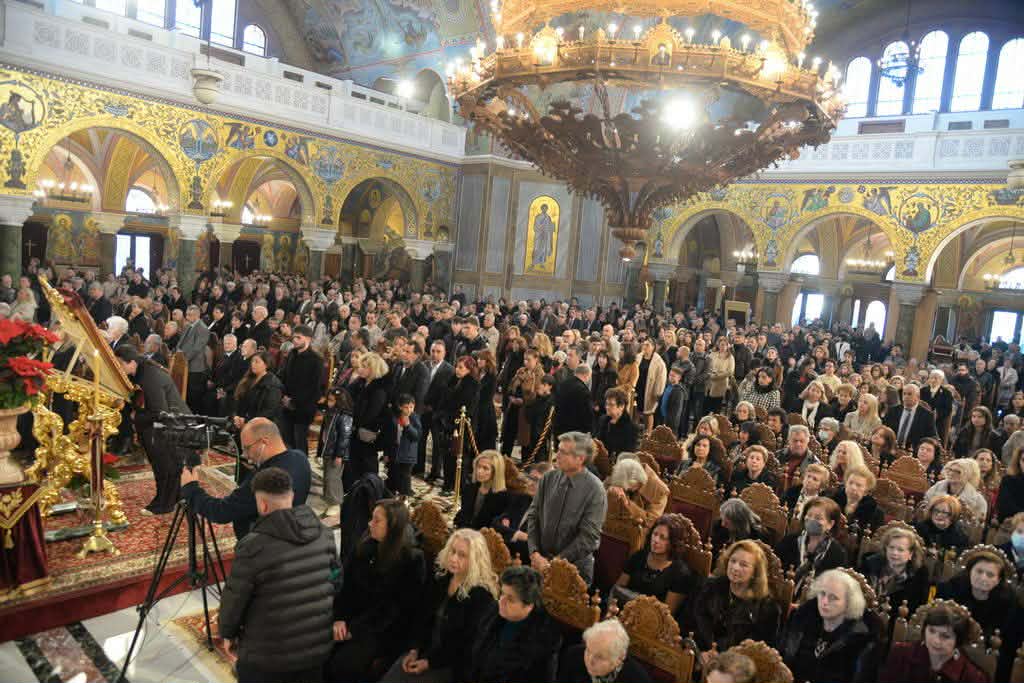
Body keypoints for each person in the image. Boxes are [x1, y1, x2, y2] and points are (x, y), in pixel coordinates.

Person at [217, 468, 336, 683]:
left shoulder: (253, 546)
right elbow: (336, 580)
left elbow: (235, 598)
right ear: (291, 496)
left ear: (262, 504)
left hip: (267, 659)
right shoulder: (325, 534)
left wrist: (227, 633)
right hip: (316, 652)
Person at [328, 498, 427, 682]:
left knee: (343, 665)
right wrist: (340, 617)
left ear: (393, 526)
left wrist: (355, 629)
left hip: (383, 630)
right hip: (355, 617)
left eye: (376, 520)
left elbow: (396, 609)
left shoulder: (411, 559)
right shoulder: (368, 543)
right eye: (371, 518)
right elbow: (347, 584)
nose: (369, 523)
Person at [381, 529, 498, 683]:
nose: (454, 558)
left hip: (451, 666)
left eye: (462, 555)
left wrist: (430, 663)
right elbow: (420, 618)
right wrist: (414, 649)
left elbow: (466, 646)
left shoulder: (482, 597)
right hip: (424, 652)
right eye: (453, 551)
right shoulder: (440, 579)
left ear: (475, 560)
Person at [182, 418, 311, 538]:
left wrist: (191, 488)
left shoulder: (263, 480)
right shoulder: (300, 458)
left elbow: (220, 512)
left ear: (264, 442)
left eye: (247, 448)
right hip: (291, 532)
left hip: (259, 544)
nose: (245, 455)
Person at [115, 344, 190, 515]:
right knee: (160, 463)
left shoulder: (149, 377)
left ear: (132, 362)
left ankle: (164, 503)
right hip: (160, 424)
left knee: (164, 464)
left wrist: (135, 417)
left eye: (120, 364)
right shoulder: (140, 371)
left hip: (171, 426)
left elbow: (159, 412)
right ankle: (174, 496)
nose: (118, 368)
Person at [527, 431, 608, 584]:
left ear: (580, 459)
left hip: (573, 570)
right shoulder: (548, 478)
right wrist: (534, 553)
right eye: (558, 450)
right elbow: (533, 516)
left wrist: (555, 562)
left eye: (563, 452)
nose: (557, 455)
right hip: (539, 562)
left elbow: (588, 538)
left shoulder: (595, 490)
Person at [688, 540, 781, 660]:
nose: (735, 568)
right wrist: (699, 654)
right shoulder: (709, 587)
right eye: (733, 561)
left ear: (755, 572)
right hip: (699, 656)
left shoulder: (768, 608)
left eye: (743, 565)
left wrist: (721, 660)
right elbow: (691, 623)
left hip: (735, 668)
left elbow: (759, 653)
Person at [780, 569, 879, 683]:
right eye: (822, 594)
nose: (825, 601)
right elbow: (782, 659)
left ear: (849, 602)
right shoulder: (801, 619)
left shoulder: (861, 638)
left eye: (833, 597)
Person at [469, 566, 562, 683]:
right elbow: (475, 658)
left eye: (510, 599)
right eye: (502, 593)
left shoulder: (545, 639)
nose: (501, 601)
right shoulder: (493, 612)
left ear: (529, 605)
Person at [878, 604, 988, 683]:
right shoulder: (901, 653)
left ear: (958, 641)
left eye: (945, 636)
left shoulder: (972, 677)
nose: (936, 640)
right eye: (931, 631)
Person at [614, 513, 695, 616]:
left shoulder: (680, 573)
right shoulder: (639, 556)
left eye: (662, 537)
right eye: (655, 534)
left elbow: (667, 616)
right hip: (623, 614)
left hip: (652, 625)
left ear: (673, 543)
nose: (656, 540)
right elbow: (618, 589)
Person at [775, 497, 848, 597]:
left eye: (818, 518)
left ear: (830, 524)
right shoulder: (789, 541)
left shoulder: (837, 553)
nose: (811, 520)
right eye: (809, 515)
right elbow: (774, 571)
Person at [859, 525, 930, 618]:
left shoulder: (920, 575)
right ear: (886, 548)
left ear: (910, 554)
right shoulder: (869, 564)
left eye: (900, 550)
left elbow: (916, 610)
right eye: (891, 547)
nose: (894, 553)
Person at [347, 352, 391, 490]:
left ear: (373, 369)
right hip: (356, 430)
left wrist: (355, 422)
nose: (360, 369)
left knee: (367, 467)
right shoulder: (360, 383)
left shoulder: (379, 389)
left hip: (367, 433)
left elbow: (371, 414)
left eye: (364, 366)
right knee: (353, 465)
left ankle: (369, 490)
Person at [437, 355, 481, 494]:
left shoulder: (473, 385)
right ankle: (447, 483)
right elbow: (444, 398)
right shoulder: (453, 380)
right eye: (457, 366)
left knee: (460, 455)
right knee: (447, 455)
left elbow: (468, 407)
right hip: (448, 422)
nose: (457, 369)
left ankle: (459, 486)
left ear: (469, 369)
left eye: (461, 367)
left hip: (462, 424)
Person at [558, 618, 652, 683]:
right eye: (588, 650)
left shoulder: (637, 678)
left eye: (600, 657)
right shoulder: (573, 656)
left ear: (619, 659)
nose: (590, 661)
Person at [278, 324, 323, 454]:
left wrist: (294, 401)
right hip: (287, 404)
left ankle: (301, 468)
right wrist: (284, 396)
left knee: (299, 443)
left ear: (308, 339)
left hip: (303, 407)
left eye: (298, 337)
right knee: (286, 440)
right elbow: (283, 376)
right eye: (294, 337)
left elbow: (313, 388)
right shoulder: (292, 354)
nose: (295, 340)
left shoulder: (316, 360)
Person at [606, 454, 669, 530]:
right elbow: (599, 496)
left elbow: (652, 522)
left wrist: (627, 503)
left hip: (637, 532)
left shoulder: (660, 492)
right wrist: (609, 492)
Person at [317, 388, 353, 517]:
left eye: (332, 401)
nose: (328, 403)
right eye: (328, 400)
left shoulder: (345, 416)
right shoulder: (329, 413)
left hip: (336, 453)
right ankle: (329, 499)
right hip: (328, 450)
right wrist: (319, 451)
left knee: (333, 478)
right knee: (327, 477)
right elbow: (324, 433)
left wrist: (339, 454)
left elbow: (344, 437)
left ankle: (335, 503)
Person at [420, 340, 454, 475]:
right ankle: (418, 467)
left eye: (438, 351)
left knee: (437, 445)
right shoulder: (423, 365)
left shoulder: (449, 370)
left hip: (437, 412)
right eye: (433, 351)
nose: (434, 354)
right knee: (420, 440)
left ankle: (435, 472)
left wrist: (434, 408)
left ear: (444, 353)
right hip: (422, 410)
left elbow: (447, 394)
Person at [455, 451, 509, 530]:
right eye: (478, 466)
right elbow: (464, 513)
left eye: (485, 468)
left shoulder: (502, 497)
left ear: (495, 472)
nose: (479, 471)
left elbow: (495, 527)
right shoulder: (470, 487)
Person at [923, 458, 989, 520]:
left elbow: (975, 528)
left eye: (958, 472)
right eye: (950, 470)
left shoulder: (979, 501)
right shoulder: (936, 488)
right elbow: (924, 511)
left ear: (968, 475)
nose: (951, 473)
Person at [233, 351, 284, 430]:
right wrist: (236, 416)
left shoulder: (273, 385)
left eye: (257, 361)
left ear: (266, 364)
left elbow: (269, 411)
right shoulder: (248, 379)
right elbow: (239, 400)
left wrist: (247, 421)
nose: (253, 364)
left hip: (262, 428)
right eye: (252, 361)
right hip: (244, 424)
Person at [382, 393, 421, 496]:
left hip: (408, 456)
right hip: (394, 453)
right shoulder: (394, 418)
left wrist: (408, 426)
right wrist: (386, 453)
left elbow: (417, 436)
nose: (409, 410)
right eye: (406, 407)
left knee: (405, 479)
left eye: (411, 407)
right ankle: (390, 495)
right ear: (400, 407)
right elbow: (388, 437)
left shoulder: (415, 418)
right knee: (392, 476)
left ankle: (405, 497)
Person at [827, 466, 885, 532]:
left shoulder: (876, 513)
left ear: (866, 492)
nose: (853, 487)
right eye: (850, 483)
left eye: (858, 485)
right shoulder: (832, 500)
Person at [883, 383, 938, 451]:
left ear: (918, 396)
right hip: (891, 450)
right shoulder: (893, 411)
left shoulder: (927, 415)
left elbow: (932, 437)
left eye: (909, 394)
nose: (906, 397)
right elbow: (884, 430)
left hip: (913, 452)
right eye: (904, 394)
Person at [178, 305, 211, 413]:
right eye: (186, 314)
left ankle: (194, 419)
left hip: (195, 368)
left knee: (193, 398)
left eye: (190, 315)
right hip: (184, 365)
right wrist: (176, 353)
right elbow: (181, 343)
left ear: (197, 315)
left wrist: (183, 360)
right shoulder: (188, 326)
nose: (187, 317)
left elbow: (196, 349)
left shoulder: (203, 329)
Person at [595, 388, 639, 458]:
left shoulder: (631, 428)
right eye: (606, 404)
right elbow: (598, 441)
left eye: (611, 405)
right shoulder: (603, 420)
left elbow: (627, 455)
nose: (607, 407)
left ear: (621, 406)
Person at [554, 363, 594, 436]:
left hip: (560, 427)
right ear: (586, 375)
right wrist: (589, 430)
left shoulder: (563, 384)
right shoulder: (584, 390)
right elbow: (587, 414)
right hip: (575, 432)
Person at [997, 446, 1024, 521]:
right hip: (1011, 526)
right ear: (1018, 462)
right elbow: (1004, 507)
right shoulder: (1008, 480)